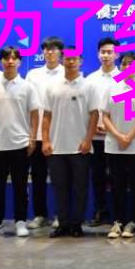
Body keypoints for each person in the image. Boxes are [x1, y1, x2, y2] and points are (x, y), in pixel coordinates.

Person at [0, 46, 42, 239]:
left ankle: (20, 221)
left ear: (19, 62)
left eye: (14, 58)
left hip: (20, 144)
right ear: (1, 61)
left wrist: (32, 138)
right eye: (6, 58)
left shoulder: (27, 87)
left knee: (20, 186)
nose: (10, 61)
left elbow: (34, 113)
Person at [41, 47, 98, 239]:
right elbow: (46, 115)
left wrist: (88, 140)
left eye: (75, 59)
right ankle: (63, 224)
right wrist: (45, 140)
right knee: (60, 188)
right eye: (67, 58)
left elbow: (94, 115)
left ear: (80, 61)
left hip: (80, 147)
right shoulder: (52, 86)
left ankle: (76, 224)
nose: (71, 61)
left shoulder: (89, 86)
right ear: (62, 60)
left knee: (80, 188)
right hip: (56, 147)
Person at [101, 52, 135, 239]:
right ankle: (118, 221)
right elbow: (105, 115)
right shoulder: (111, 88)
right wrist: (118, 136)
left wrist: (128, 137)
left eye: (132, 64)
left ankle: (133, 222)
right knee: (117, 186)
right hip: (114, 146)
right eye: (124, 63)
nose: (128, 67)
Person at [25, 37, 66, 229]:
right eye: (46, 49)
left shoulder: (67, 73)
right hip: (37, 134)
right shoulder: (33, 75)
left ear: (60, 52)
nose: (50, 52)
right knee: (38, 177)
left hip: (59, 135)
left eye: (54, 49)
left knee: (60, 178)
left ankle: (60, 214)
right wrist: (31, 134)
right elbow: (27, 104)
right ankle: (40, 214)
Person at [84, 37, 119, 228]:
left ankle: (119, 214)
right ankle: (100, 210)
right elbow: (86, 108)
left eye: (109, 52)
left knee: (118, 177)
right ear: (98, 54)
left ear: (117, 54)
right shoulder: (90, 80)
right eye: (103, 52)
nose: (106, 55)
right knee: (97, 176)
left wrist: (111, 127)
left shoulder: (124, 77)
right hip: (95, 137)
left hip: (117, 137)